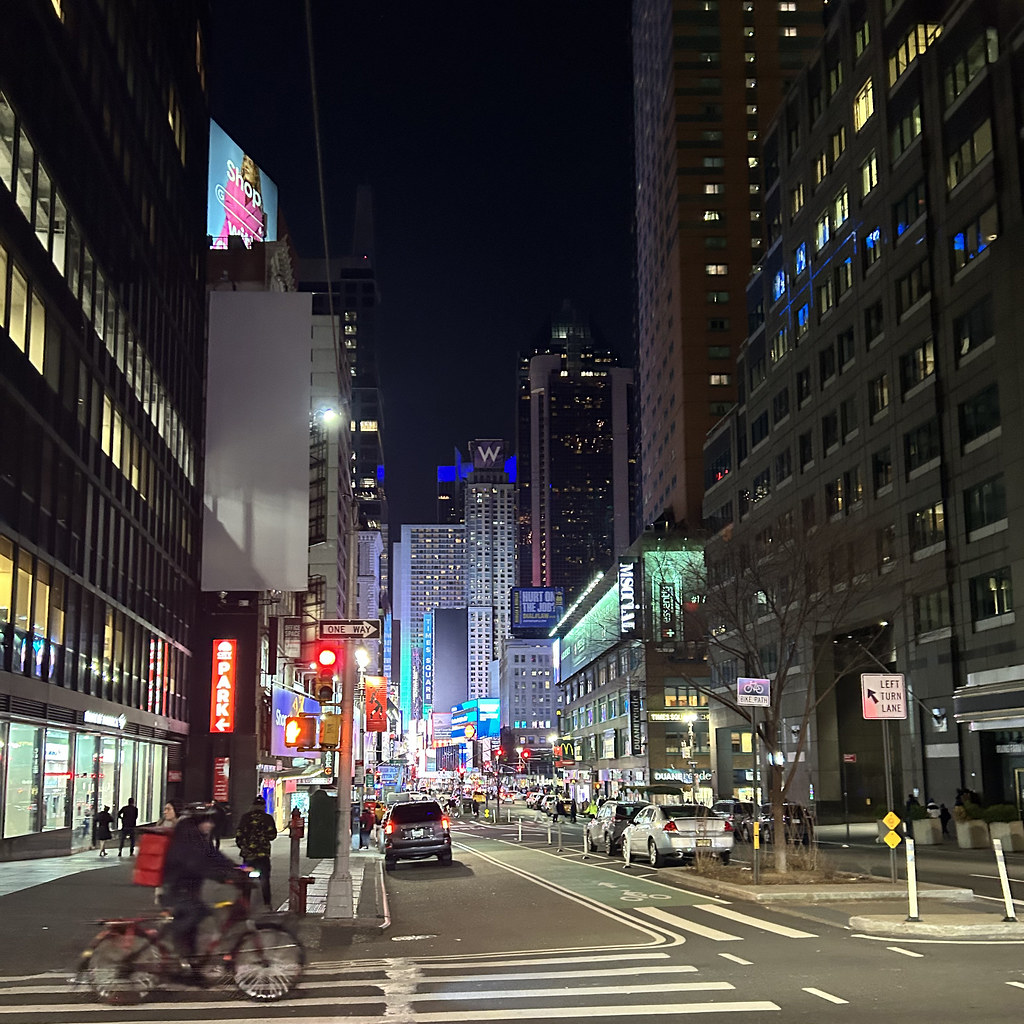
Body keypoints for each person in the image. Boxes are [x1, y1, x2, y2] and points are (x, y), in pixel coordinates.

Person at [162, 802, 242, 983]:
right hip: (176, 889)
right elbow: (197, 865)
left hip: (188, 889)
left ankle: (191, 967)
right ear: (198, 821)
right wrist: (223, 876)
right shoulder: (187, 837)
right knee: (196, 915)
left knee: (196, 920)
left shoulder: (197, 836)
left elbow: (214, 855)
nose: (211, 825)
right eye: (208, 821)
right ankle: (176, 957)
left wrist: (237, 869)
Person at [234, 796, 278, 909]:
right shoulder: (267, 818)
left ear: (253, 806)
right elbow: (272, 835)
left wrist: (243, 847)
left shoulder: (245, 818)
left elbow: (239, 835)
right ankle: (267, 904)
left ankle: (245, 904)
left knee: (246, 880)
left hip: (248, 855)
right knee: (265, 879)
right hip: (263, 854)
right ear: (263, 806)